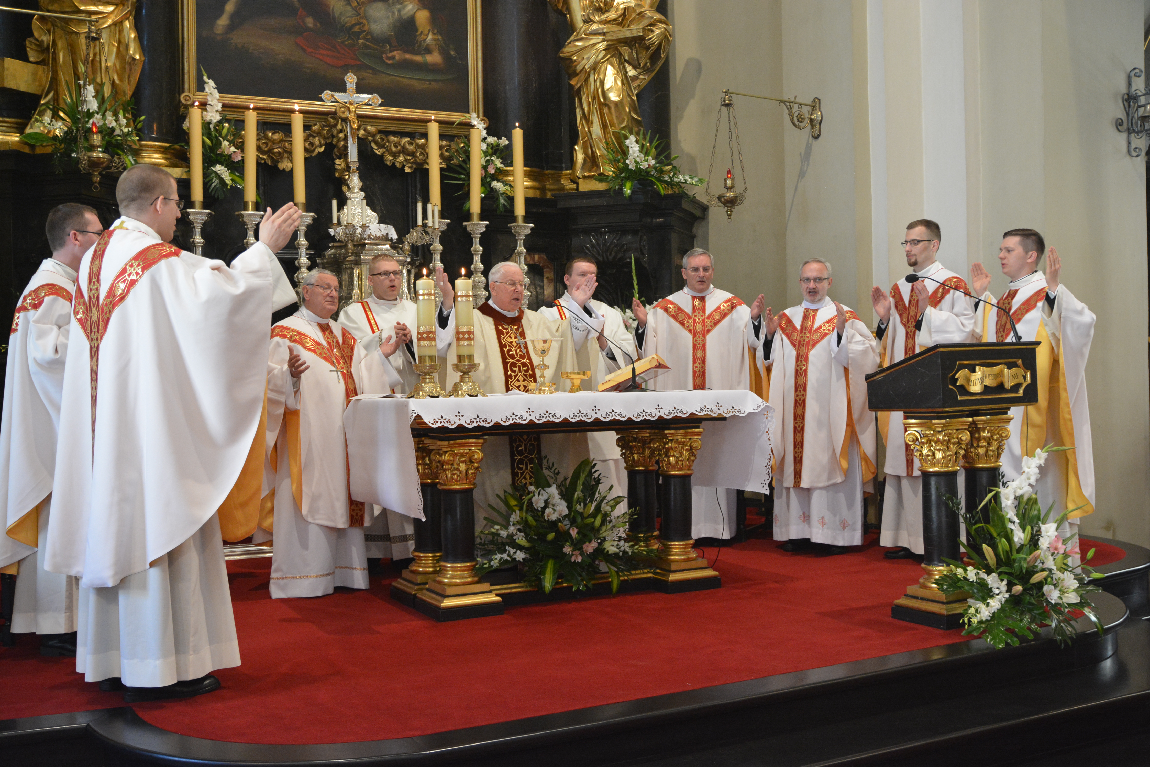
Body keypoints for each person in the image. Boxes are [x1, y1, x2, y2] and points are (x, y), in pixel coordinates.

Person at [44, 163, 301, 702]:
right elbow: (220, 300)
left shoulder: (93, 261)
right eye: (178, 202)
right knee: (161, 526)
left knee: (119, 526)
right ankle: (161, 664)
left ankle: (114, 657)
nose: (181, 213)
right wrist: (264, 248)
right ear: (158, 204)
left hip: (106, 431)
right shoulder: (152, 260)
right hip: (149, 434)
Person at [264, 268, 403, 598]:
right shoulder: (284, 332)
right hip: (306, 438)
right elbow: (265, 384)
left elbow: (363, 373)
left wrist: (381, 357)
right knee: (308, 495)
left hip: (343, 437)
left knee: (343, 494)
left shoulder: (344, 335)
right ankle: (302, 577)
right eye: (324, 287)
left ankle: (346, 572)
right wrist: (289, 378)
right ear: (305, 291)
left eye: (336, 289)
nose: (332, 293)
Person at [0, 203, 101, 656]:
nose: (103, 242)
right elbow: (50, 356)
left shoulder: (57, 285)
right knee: (60, 516)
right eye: (97, 233)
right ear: (74, 237)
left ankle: (59, 621)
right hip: (54, 424)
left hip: (49, 419)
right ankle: (58, 624)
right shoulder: (53, 288)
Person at [969, 229, 1095, 544]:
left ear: (1030, 256)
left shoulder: (1046, 292)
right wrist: (983, 299)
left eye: (1008, 250)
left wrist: (1055, 293)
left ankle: (1044, 563)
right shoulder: (1007, 297)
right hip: (1003, 408)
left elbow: (1082, 323)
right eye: (1000, 249)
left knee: (1040, 478)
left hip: (1035, 409)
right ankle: (1010, 557)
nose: (1000, 255)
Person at [631, 248, 766, 540]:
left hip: (718, 404)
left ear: (712, 272)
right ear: (684, 273)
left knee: (717, 456)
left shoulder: (732, 307)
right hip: (681, 404)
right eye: (695, 269)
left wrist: (754, 320)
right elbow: (648, 352)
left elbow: (754, 343)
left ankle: (721, 529)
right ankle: (682, 527)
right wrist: (643, 325)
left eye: (705, 269)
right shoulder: (664, 310)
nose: (701, 274)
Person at [443, 261, 586, 524]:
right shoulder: (472, 321)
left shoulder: (537, 322)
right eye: (511, 284)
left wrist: (575, 307)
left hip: (536, 429)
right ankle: (496, 536)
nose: (518, 289)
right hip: (496, 433)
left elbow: (563, 338)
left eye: (521, 284)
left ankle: (543, 527)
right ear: (493, 287)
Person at [338, 254, 454, 563]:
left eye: (396, 273)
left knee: (413, 467)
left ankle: (413, 546)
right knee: (383, 466)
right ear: (370, 279)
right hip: (378, 403)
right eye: (384, 274)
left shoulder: (417, 310)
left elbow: (441, 346)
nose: (392, 279)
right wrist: (384, 339)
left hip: (413, 396)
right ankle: (377, 550)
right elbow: (347, 353)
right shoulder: (353, 313)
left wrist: (414, 339)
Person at [871, 219, 975, 559]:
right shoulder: (899, 287)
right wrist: (885, 321)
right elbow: (894, 343)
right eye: (905, 243)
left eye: (915, 242)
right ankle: (906, 537)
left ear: (935, 244)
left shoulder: (953, 283)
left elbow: (967, 331)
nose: (908, 249)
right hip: (907, 388)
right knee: (904, 464)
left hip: (938, 390)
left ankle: (940, 540)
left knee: (936, 462)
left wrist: (930, 312)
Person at [760, 259, 879, 554]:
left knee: (828, 461)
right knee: (794, 462)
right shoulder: (786, 319)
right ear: (800, 283)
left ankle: (832, 535)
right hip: (792, 413)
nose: (812, 286)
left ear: (829, 282)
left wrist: (841, 333)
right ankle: (797, 532)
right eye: (806, 280)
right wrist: (771, 336)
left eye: (818, 280)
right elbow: (769, 363)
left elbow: (869, 357)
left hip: (830, 412)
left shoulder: (844, 315)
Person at [538, 257, 636, 500]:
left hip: (605, 409)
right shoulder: (547, 314)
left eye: (593, 275)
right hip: (566, 414)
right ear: (567, 279)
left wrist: (603, 341)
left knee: (609, 481)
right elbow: (546, 357)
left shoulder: (608, 314)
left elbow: (627, 358)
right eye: (582, 275)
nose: (588, 280)